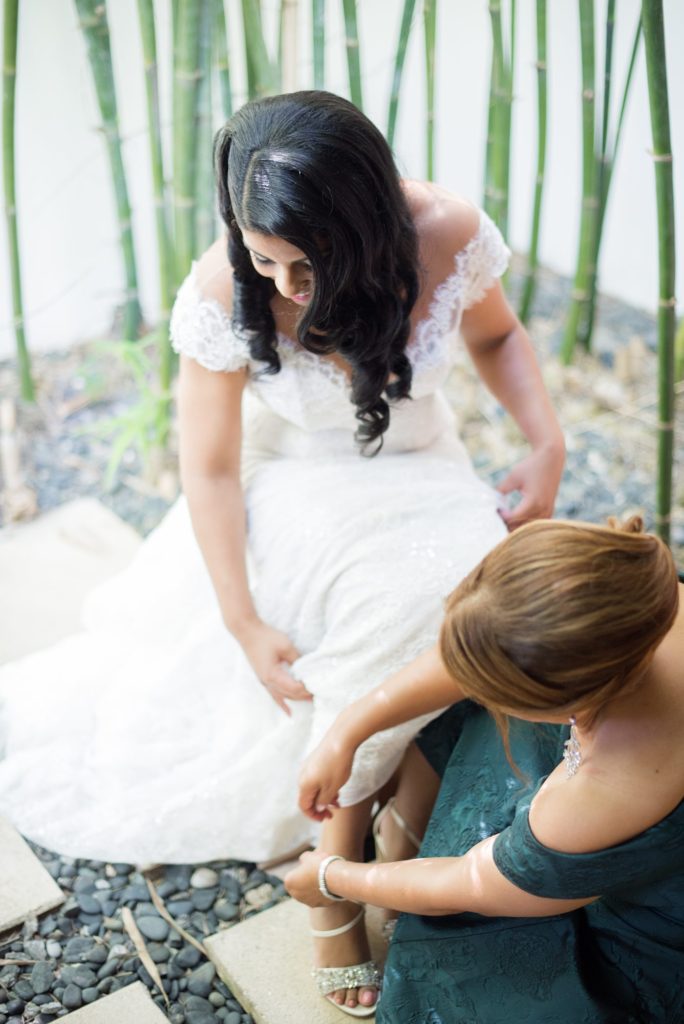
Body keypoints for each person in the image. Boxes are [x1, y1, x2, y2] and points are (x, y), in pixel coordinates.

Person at [0, 91, 563, 1012]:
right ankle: (339, 858)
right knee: (408, 596)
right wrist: (243, 619)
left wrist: (546, 442)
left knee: (483, 581)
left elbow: (497, 335)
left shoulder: (447, 231)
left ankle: (397, 802)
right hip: (293, 477)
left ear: (371, 221)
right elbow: (213, 469)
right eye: (265, 259)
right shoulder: (227, 290)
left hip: (419, 459)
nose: (287, 288)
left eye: (308, 264)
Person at [285, 517, 684, 1022]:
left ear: (565, 698)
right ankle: (403, 827)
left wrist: (333, 878)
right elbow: (487, 637)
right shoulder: (622, 590)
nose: (479, 694)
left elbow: (470, 883)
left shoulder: (609, 788)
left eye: (499, 694)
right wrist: (350, 727)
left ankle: (402, 830)